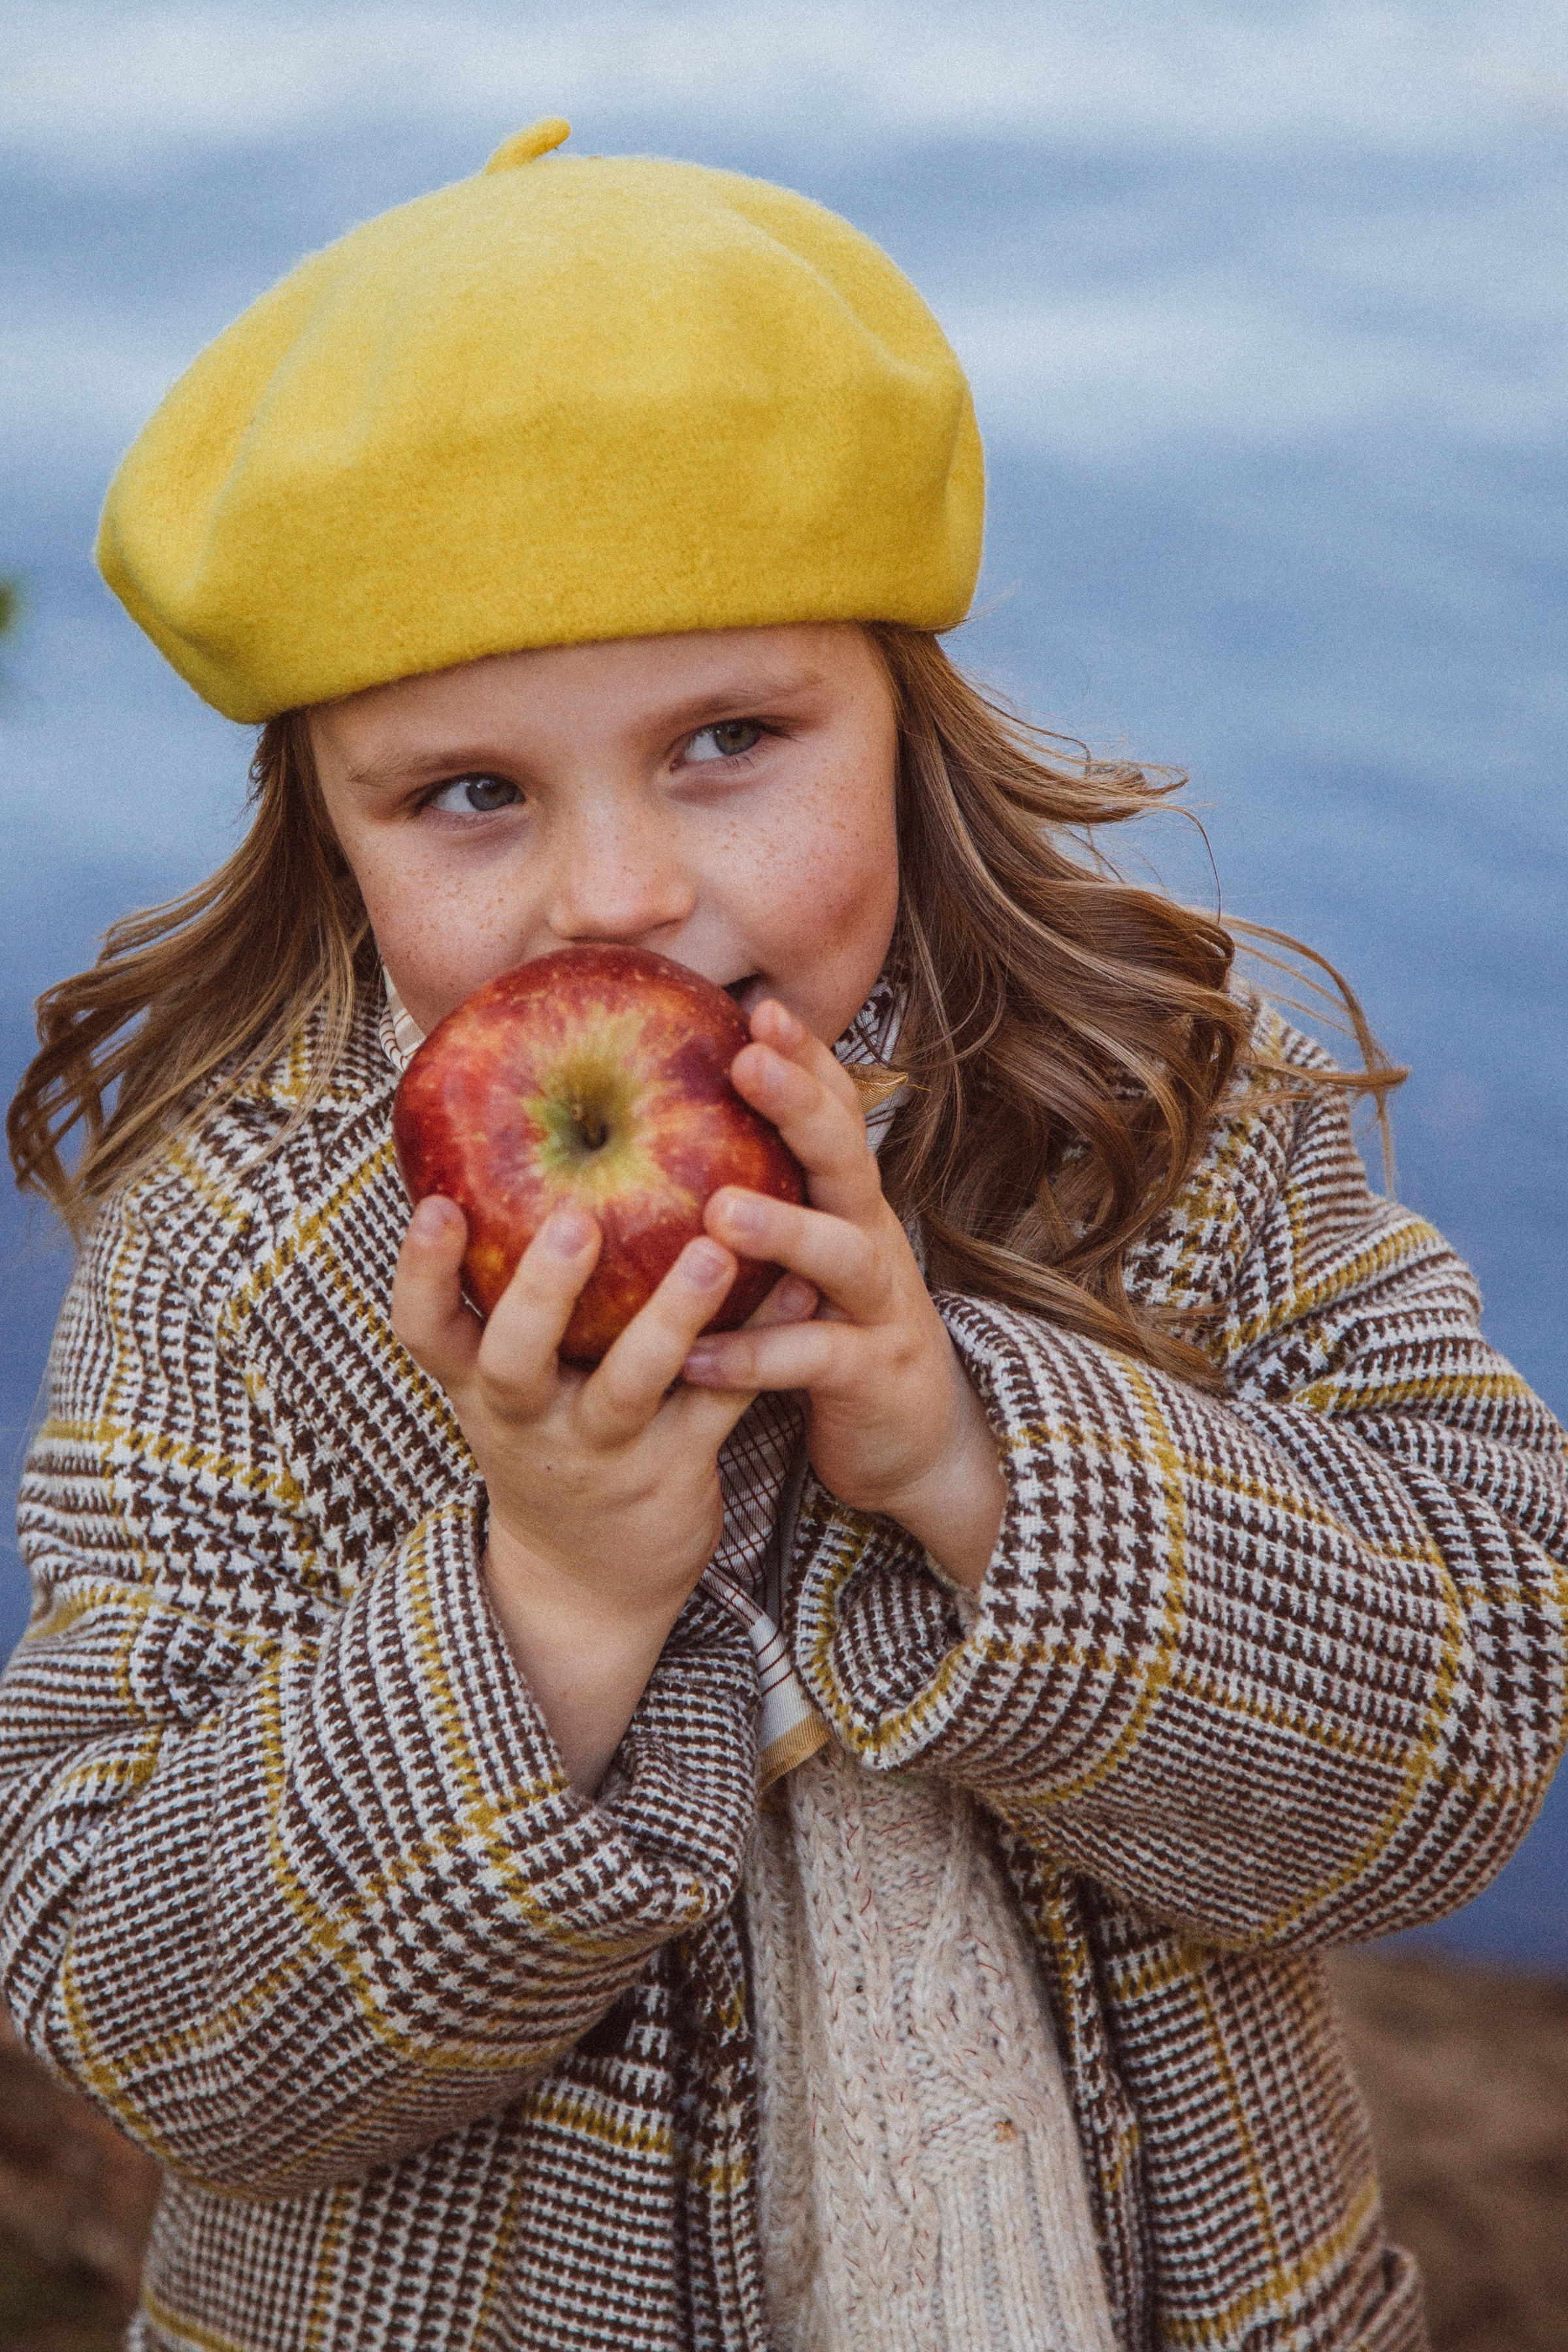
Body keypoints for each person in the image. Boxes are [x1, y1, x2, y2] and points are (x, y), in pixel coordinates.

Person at [2, 117, 1563, 2352]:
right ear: (328, 831)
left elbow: (1474, 1734)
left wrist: (980, 1458)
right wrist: (536, 1602)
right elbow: (137, 2019)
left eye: (730, 735)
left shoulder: (1159, 1127)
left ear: (905, 717)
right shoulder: (239, 1271)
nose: (618, 889)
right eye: (472, 791)